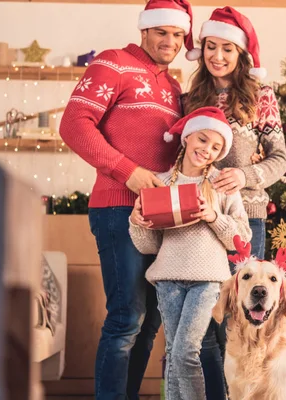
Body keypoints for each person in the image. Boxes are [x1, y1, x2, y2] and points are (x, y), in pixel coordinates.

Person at [59, 0, 198, 397]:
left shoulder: (173, 86)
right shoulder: (112, 63)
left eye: (177, 35)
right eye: (162, 32)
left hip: (163, 215)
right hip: (118, 207)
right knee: (127, 317)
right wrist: (128, 172)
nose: (170, 41)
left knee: (152, 319)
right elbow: (74, 125)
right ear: (145, 31)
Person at [183, 6, 286, 399]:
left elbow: (280, 159)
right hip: (197, 220)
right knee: (206, 319)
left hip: (247, 220)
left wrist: (245, 176)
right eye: (211, 47)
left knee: (242, 318)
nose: (218, 56)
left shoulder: (261, 96)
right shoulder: (190, 97)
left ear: (241, 53)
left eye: (227, 48)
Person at [129, 106, 252, 400]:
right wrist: (137, 222)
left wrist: (213, 216)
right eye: (202, 140)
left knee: (185, 350)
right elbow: (149, 246)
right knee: (173, 353)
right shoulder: (158, 182)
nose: (206, 150)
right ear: (187, 138)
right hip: (168, 279)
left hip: (207, 281)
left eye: (215, 147)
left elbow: (241, 240)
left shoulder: (221, 185)